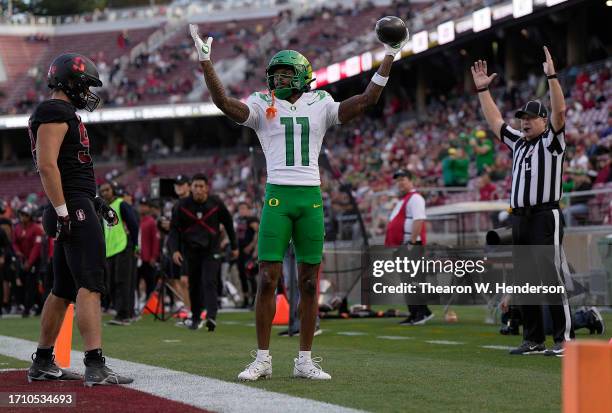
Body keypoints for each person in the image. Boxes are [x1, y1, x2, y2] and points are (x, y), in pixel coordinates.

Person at [189, 20, 409, 380]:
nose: (277, 79)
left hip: (310, 197)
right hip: (277, 195)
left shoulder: (320, 101)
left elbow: (368, 99)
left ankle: (305, 359)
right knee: (266, 278)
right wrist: (206, 64)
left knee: (308, 281)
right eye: (274, 74)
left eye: (285, 73)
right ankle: (262, 358)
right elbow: (224, 103)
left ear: (303, 74)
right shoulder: (262, 103)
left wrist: (389, 55)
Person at [27, 53, 132, 385]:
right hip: (71, 207)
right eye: (84, 84)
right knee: (91, 284)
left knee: (63, 289)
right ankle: (95, 364)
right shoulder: (55, 111)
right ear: (69, 83)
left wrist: (96, 201)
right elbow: (47, 165)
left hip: (76, 203)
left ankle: (43, 361)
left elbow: (71, 166)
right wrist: (65, 212)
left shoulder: (61, 112)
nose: (87, 91)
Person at [471, 46, 573, 356]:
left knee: (550, 277)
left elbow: (560, 112)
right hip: (520, 217)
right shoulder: (519, 143)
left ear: (542, 121)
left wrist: (552, 76)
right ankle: (533, 338)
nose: (524, 123)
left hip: (545, 215)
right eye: (523, 119)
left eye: (530, 118)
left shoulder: (552, 141)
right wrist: (483, 91)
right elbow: (495, 122)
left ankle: (564, 340)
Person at [168, 174, 238, 331]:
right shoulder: (182, 205)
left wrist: (234, 246)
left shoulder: (216, 203)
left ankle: (211, 317)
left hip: (211, 250)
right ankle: (195, 317)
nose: (198, 189)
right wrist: (174, 250)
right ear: (191, 188)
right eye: (195, 186)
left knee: (209, 282)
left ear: (207, 188)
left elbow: (228, 224)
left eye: (201, 186)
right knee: (194, 285)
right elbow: (174, 230)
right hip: (190, 251)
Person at [384, 169, 431, 325]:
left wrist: (412, 242)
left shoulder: (415, 198)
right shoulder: (404, 200)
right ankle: (417, 312)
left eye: (403, 179)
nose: (400, 183)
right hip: (404, 246)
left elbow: (418, 220)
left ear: (411, 180)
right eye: (397, 181)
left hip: (411, 245)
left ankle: (420, 314)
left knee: (413, 281)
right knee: (407, 281)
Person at [99, 181, 139, 326]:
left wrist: (135, 245)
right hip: (110, 250)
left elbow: (134, 224)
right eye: (102, 190)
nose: (105, 193)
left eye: (107, 189)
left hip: (123, 247)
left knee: (123, 282)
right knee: (112, 283)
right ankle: (123, 313)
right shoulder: (103, 208)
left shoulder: (121, 204)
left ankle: (124, 315)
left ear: (113, 190)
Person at [13, 203, 44, 317]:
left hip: (35, 261)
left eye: (25, 215)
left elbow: (37, 248)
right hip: (22, 259)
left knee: (31, 284)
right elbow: (14, 242)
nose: (22, 217)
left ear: (30, 216)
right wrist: (18, 252)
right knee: (23, 284)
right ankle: (40, 306)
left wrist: (29, 262)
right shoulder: (17, 228)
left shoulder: (36, 229)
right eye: (21, 215)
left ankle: (27, 308)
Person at [235, 202, 259, 308]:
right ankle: (245, 299)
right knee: (242, 275)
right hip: (240, 251)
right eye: (240, 209)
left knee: (250, 275)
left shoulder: (252, 219)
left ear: (249, 209)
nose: (242, 211)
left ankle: (254, 299)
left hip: (249, 252)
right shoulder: (239, 220)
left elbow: (258, 232)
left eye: (244, 208)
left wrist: (251, 247)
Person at [137, 197, 160, 301]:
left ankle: (149, 302)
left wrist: (153, 256)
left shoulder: (151, 222)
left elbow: (155, 240)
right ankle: (137, 301)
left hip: (147, 257)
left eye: (144, 206)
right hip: (136, 256)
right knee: (135, 281)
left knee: (150, 281)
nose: (142, 208)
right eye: (141, 206)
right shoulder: (136, 219)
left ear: (149, 208)